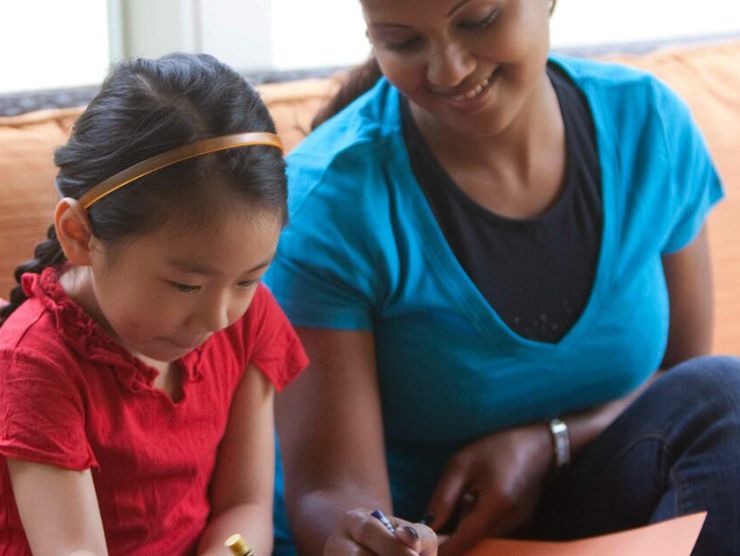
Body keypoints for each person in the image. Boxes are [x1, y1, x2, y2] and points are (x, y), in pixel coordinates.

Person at [265, 0, 740, 555]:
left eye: (478, 21)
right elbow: (331, 488)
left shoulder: (647, 126)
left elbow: (681, 382)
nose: (449, 71)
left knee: (724, 396)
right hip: (431, 540)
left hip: (597, 514)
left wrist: (549, 442)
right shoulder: (331, 199)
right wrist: (373, 539)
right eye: (402, 42)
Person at [0, 52, 308, 555]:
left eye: (249, 279)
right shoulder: (35, 362)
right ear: (79, 234)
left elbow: (245, 507)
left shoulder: (247, 321)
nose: (217, 318)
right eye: (186, 285)